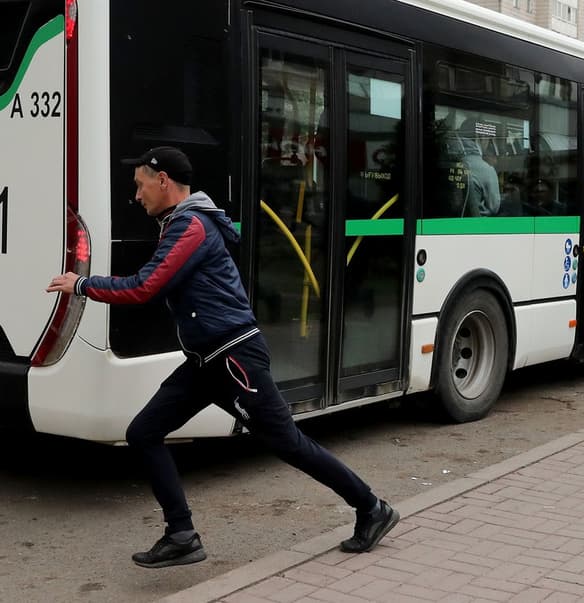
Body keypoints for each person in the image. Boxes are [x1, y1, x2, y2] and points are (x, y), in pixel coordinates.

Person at [46, 147, 399, 568]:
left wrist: (82, 284)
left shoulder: (191, 226)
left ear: (163, 181)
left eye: (141, 185)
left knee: (289, 444)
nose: (136, 195)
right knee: (143, 432)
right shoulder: (179, 223)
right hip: (205, 361)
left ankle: (371, 508)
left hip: (234, 357)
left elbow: (145, 286)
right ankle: (181, 535)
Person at [457, 118, 501, 216]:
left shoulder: (454, 161)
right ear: (481, 137)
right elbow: (494, 207)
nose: (488, 142)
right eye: (488, 138)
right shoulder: (487, 169)